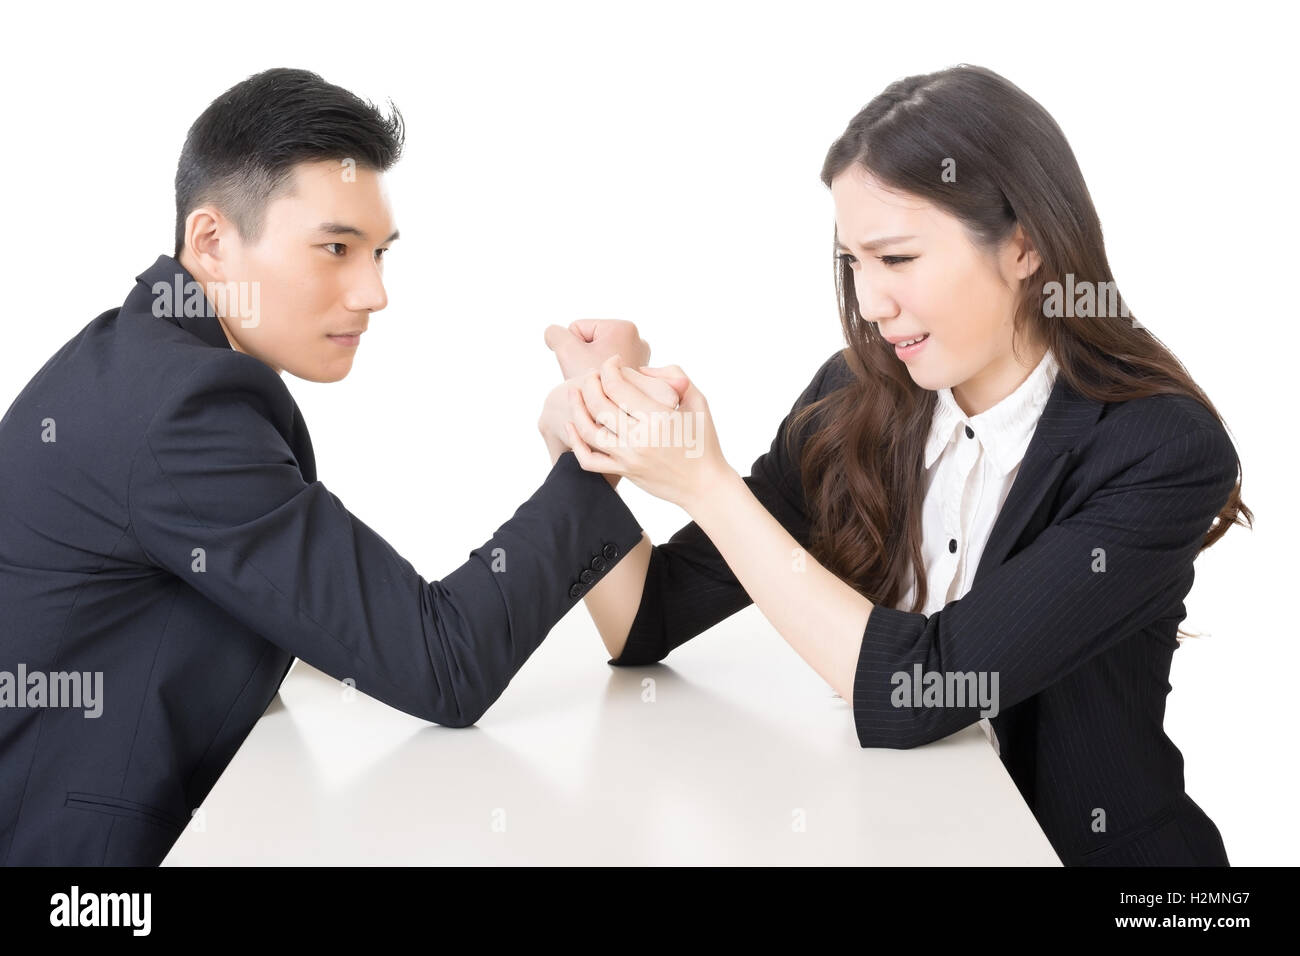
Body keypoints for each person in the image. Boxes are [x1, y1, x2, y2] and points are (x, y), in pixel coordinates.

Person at [538, 64, 1252, 866]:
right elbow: (644, 622)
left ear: (1025, 245)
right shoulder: (854, 398)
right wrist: (591, 438)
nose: (872, 302)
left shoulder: (1160, 449)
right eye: (854, 262)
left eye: (898, 258)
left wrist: (707, 486)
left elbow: (924, 690)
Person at [0, 67, 649, 866]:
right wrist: (602, 441)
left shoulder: (143, 356)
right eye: (336, 248)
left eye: (378, 253)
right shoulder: (181, 410)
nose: (374, 291)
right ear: (211, 242)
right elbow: (445, 666)